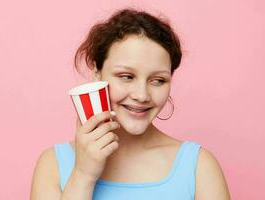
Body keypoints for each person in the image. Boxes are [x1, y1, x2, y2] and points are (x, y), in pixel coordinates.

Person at [30, 8, 230, 200]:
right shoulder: (53, 165)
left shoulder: (199, 167)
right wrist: (83, 175)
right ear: (97, 72)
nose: (142, 95)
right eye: (126, 76)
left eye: (158, 80)